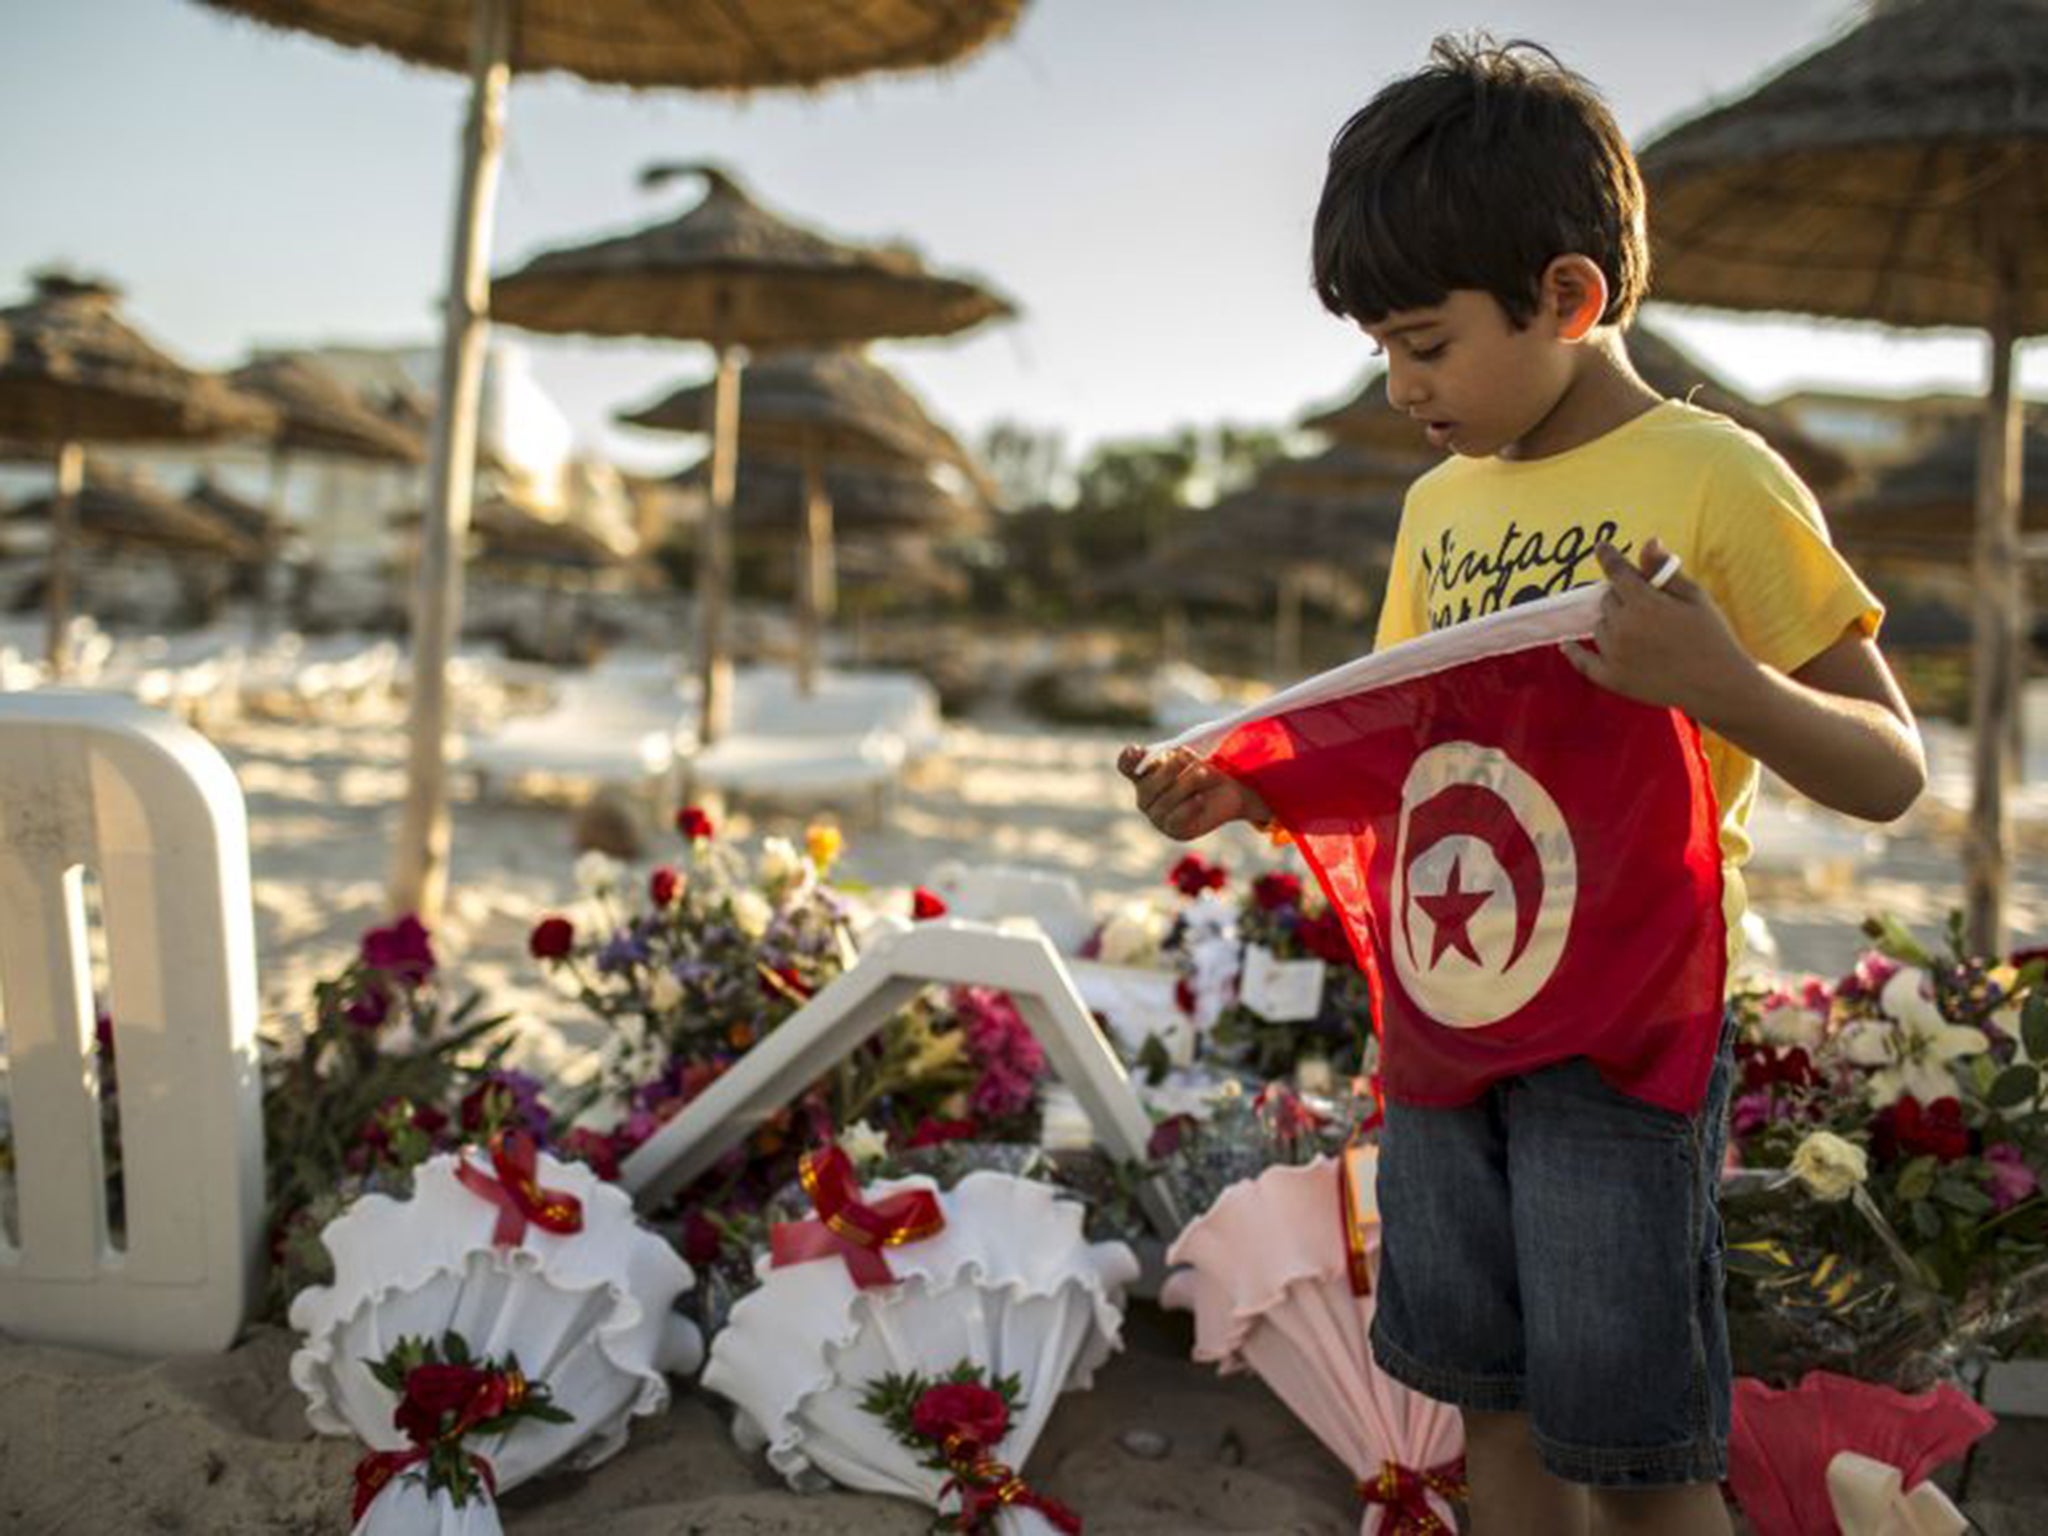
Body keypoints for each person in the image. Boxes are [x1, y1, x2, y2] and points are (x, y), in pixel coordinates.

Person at [1117, 35, 1926, 1536]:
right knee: (1483, 1389)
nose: (1400, 386)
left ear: (1569, 297)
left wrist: (1724, 684)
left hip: (1625, 1038)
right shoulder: (1439, 506)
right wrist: (1244, 793)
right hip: (1452, 1026)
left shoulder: (1715, 477)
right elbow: (1407, 750)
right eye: (1381, 351)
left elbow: (1892, 768)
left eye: (1426, 344)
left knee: (1632, 1429)